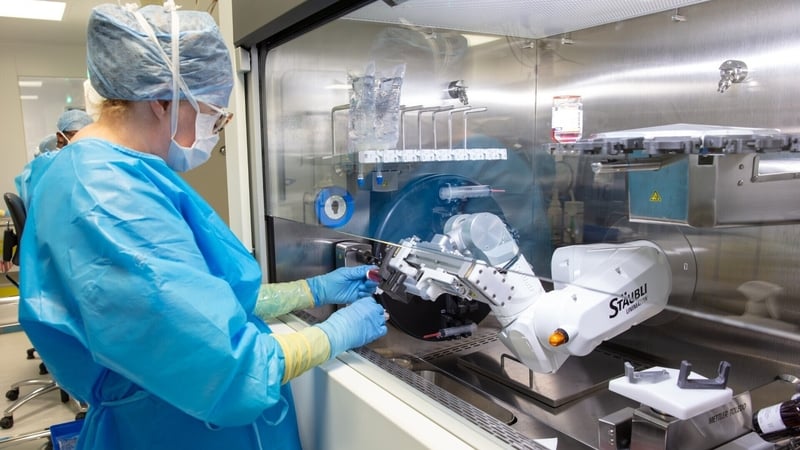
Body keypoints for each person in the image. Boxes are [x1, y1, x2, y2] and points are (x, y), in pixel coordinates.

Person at [15, 3, 386, 449]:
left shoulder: (104, 174)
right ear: (161, 100)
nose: (216, 129)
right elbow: (228, 367)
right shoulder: (108, 200)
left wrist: (316, 290)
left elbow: (198, 301)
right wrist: (337, 332)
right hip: (174, 428)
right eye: (214, 113)